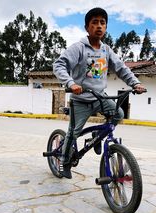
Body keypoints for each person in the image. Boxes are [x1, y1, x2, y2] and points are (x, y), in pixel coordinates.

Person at [53, 7, 146, 179]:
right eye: (94, 22)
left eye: (102, 23)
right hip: (80, 99)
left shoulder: (106, 50)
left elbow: (121, 68)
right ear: (87, 27)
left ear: (106, 27)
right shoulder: (79, 48)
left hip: (99, 97)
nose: (99, 26)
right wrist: (71, 83)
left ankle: (97, 135)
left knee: (118, 113)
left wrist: (136, 83)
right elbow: (59, 65)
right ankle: (64, 161)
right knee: (73, 132)